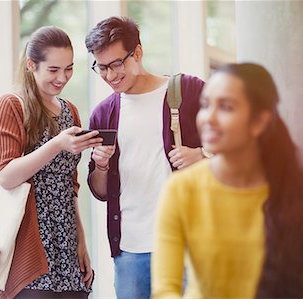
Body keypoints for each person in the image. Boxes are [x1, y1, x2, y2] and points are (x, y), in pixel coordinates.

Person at [152, 63, 303, 298]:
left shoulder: (302, 193)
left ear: (259, 121)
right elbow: (165, 290)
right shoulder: (180, 189)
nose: (208, 118)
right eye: (205, 105)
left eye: (225, 107)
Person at [84, 16, 206, 299]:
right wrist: (101, 166)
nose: (110, 76)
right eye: (101, 68)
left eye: (117, 64)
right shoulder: (103, 114)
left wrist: (202, 155)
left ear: (137, 53)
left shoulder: (188, 91)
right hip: (129, 252)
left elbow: (239, 141)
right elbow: (101, 192)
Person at [0, 26, 98, 299]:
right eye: (53, 70)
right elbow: (6, 176)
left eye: (69, 69)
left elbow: (70, 186)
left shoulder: (70, 111)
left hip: (67, 246)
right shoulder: (11, 106)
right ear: (31, 65)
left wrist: (81, 242)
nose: (62, 78)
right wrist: (57, 143)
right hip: (28, 245)